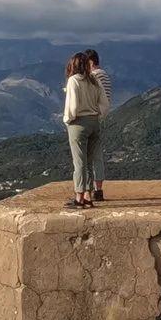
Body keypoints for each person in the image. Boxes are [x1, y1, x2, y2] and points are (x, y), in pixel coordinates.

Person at [63, 51, 105, 208]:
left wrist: (68, 120)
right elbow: (105, 103)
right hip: (94, 122)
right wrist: (97, 114)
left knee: (79, 162)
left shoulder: (73, 80)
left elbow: (72, 106)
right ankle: (88, 196)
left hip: (78, 123)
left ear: (73, 65)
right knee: (89, 161)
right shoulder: (94, 80)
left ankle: (79, 198)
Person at [81, 49, 111, 201]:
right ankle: (99, 190)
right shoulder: (104, 75)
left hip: (91, 116)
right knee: (98, 156)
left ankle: (87, 191)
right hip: (101, 116)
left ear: (90, 62)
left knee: (86, 157)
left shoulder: (94, 76)